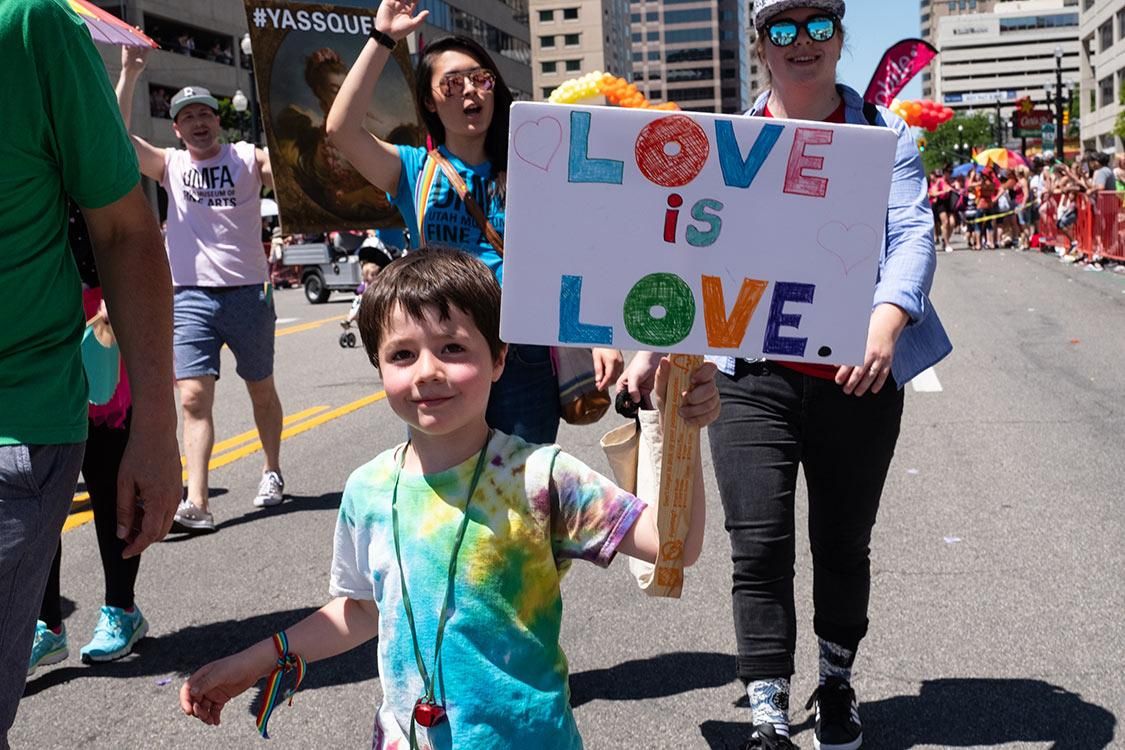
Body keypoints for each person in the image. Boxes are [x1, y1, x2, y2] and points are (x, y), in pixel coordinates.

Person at [178, 248, 719, 749]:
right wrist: (255, 660)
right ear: (378, 365)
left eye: (453, 347)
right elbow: (363, 610)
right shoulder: (368, 491)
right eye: (403, 354)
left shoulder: (541, 475)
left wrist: (681, 422)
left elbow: (673, 545)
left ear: (501, 358)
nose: (428, 371)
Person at [617, 2, 952, 748]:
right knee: (758, 543)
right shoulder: (731, 144)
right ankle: (767, 703)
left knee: (841, 542)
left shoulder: (883, 135)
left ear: (837, 36)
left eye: (815, 26)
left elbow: (910, 232)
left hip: (857, 381)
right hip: (749, 377)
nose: (800, 44)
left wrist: (887, 320)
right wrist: (646, 345)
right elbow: (689, 248)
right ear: (761, 44)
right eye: (782, 29)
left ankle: (836, 682)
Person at [0, 0, 181, 743]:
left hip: (22, 413)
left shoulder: (27, 23)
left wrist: (156, 429)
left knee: (111, 503)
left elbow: (123, 227)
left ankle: (114, 604)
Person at [324, 13, 623, 444]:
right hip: (447, 355)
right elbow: (341, 129)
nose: (469, 90)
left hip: (522, 355)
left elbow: (567, 253)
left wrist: (597, 334)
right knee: (453, 493)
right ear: (429, 101)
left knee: (521, 495)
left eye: (480, 79)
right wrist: (383, 38)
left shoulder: (532, 168)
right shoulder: (414, 171)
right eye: (452, 82)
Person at [116, 46, 287, 531]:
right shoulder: (170, 164)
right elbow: (113, 137)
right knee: (192, 398)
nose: (198, 123)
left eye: (205, 114)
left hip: (249, 291)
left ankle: (271, 469)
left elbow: (300, 165)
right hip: (189, 295)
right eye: (187, 116)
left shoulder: (248, 160)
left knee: (261, 389)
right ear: (176, 128)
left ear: (218, 121)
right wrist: (129, 73)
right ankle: (198, 502)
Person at [28, 206, 151, 675]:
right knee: (35, 500)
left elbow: (128, 232)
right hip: (39, 321)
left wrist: (120, 299)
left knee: (109, 489)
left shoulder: (88, 146)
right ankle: (46, 626)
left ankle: (122, 609)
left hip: (101, 319)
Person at [927, 167, 955, 253]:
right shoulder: (939, 181)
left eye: (950, 172)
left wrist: (952, 188)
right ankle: (947, 244)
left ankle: (944, 238)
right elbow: (932, 193)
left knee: (952, 223)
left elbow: (953, 189)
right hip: (940, 204)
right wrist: (944, 191)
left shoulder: (950, 181)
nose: (949, 174)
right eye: (947, 172)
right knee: (945, 222)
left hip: (949, 203)